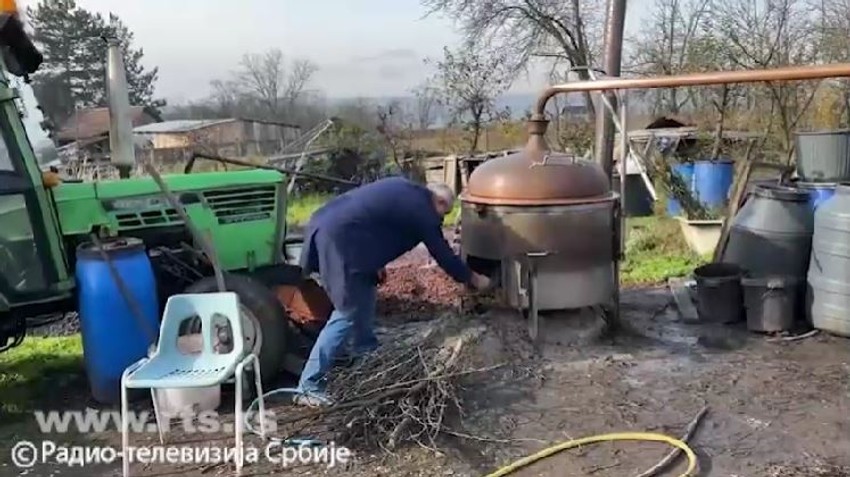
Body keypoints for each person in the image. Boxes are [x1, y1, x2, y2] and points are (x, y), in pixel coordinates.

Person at [294, 177, 492, 406]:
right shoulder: (423, 210)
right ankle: (308, 386)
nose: (440, 220)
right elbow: (443, 254)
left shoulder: (406, 190)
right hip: (341, 241)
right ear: (438, 201)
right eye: (444, 213)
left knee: (365, 288)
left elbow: (374, 220)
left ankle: (365, 356)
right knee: (347, 313)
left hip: (333, 228)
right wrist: (473, 278)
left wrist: (376, 261)